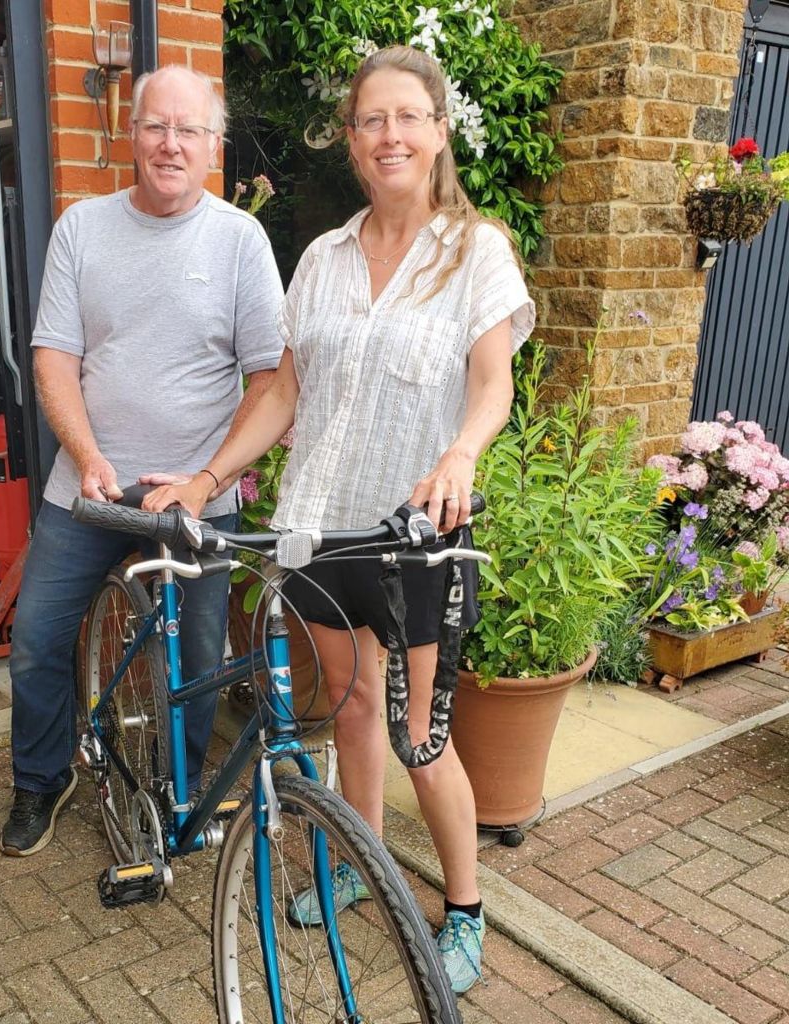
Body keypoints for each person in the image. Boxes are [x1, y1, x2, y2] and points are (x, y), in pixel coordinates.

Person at [145, 45, 534, 992]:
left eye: (408, 117)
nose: (389, 135)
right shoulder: (320, 256)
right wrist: (206, 476)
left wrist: (460, 453)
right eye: (372, 121)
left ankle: (466, 905)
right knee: (352, 711)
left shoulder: (474, 251)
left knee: (419, 735)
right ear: (353, 140)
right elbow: (285, 392)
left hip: (412, 531)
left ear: (439, 131)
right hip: (316, 526)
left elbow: (493, 383)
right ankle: (361, 869)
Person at [1, 66, 284, 857]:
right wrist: (87, 456)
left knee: (198, 662)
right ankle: (40, 779)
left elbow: (270, 383)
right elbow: (54, 357)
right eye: (156, 127)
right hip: (88, 489)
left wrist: (209, 479)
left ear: (213, 144)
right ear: (130, 135)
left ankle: (180, 798)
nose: (170, 144)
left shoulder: (240, 240)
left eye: (188, 130)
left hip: (195, 498)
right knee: (37, 640)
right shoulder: (82, 229)